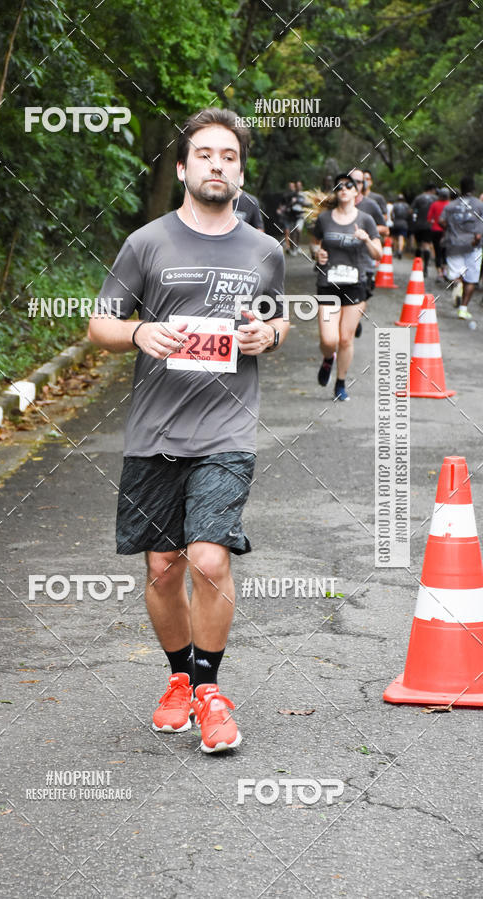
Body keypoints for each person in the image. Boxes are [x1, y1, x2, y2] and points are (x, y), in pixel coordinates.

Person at [88, 107, 289, 753]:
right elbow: (101, 325)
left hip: (226, 429)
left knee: (207, 555)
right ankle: (179, 677)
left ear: (239, 169)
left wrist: (271, 333)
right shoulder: (146, 243)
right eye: (205, 154)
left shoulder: (264, 250)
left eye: (228, 156)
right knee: (162, 565)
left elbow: (277, 321)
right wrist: (140, 330)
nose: (216, 165)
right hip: (154, 430)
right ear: (182, 166)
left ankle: (209, 689)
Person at [311, 173, 382, 401]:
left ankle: (340, 383)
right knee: (328, 340)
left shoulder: (366, 220)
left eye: (349, 185)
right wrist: (317, 253)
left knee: (345, 339)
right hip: (328, 284)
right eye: (340, 186)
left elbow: (378, 253)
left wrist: (366, 240)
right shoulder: (324, 219)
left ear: (356, 192)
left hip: (355, 285)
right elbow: (315, 243)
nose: (344, 188)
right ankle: (327, 358)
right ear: (336, 191)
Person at [348, 167, 388, 337]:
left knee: (362, 295)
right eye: (352, 181)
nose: (355, 185)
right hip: (342, 260)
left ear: (363, 184)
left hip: (365, 260)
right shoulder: (337, 202)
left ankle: (354, 320)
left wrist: (366, 230)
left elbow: (385, 228)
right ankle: (349, 323)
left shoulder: (371, 204)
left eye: (359, 181)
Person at [439, 176, 483, 320]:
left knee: (456, 275)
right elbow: (479, 232)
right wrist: (476, 238)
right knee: (471, 279)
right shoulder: (479, 205)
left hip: (454, 244)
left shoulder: (451, 205)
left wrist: (450, 230)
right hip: (473, 246)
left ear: (461, 188)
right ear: (473, 188)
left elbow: (441, 221)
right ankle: (463, 309)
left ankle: (457, 285)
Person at [411, 183, 437, 276]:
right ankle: (425, 267)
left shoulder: (418, 198)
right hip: (429, 225)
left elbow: (412, 210)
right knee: (426, 245)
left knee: (418, 246)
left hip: (418, 225)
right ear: (432, 189)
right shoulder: (435, 199)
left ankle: (417, 265)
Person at [427, 187, 450, 282]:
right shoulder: (450, 205)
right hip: (446, 232)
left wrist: (434, 222)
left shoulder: (434, 204)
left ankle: (439, 273)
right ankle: (445, 271)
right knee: (445, 252)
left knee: (437, 252)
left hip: (435, 231)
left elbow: (429, 218)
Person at [390, 193, 411, 259]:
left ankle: (396, 250)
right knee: (401, 238)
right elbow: (409, 214)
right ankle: (400, 251)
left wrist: (393, 220)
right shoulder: (406, 206)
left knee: (395, 238)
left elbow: (391, 214)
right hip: (403, 223)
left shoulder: (395, 205)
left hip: (396, 222)